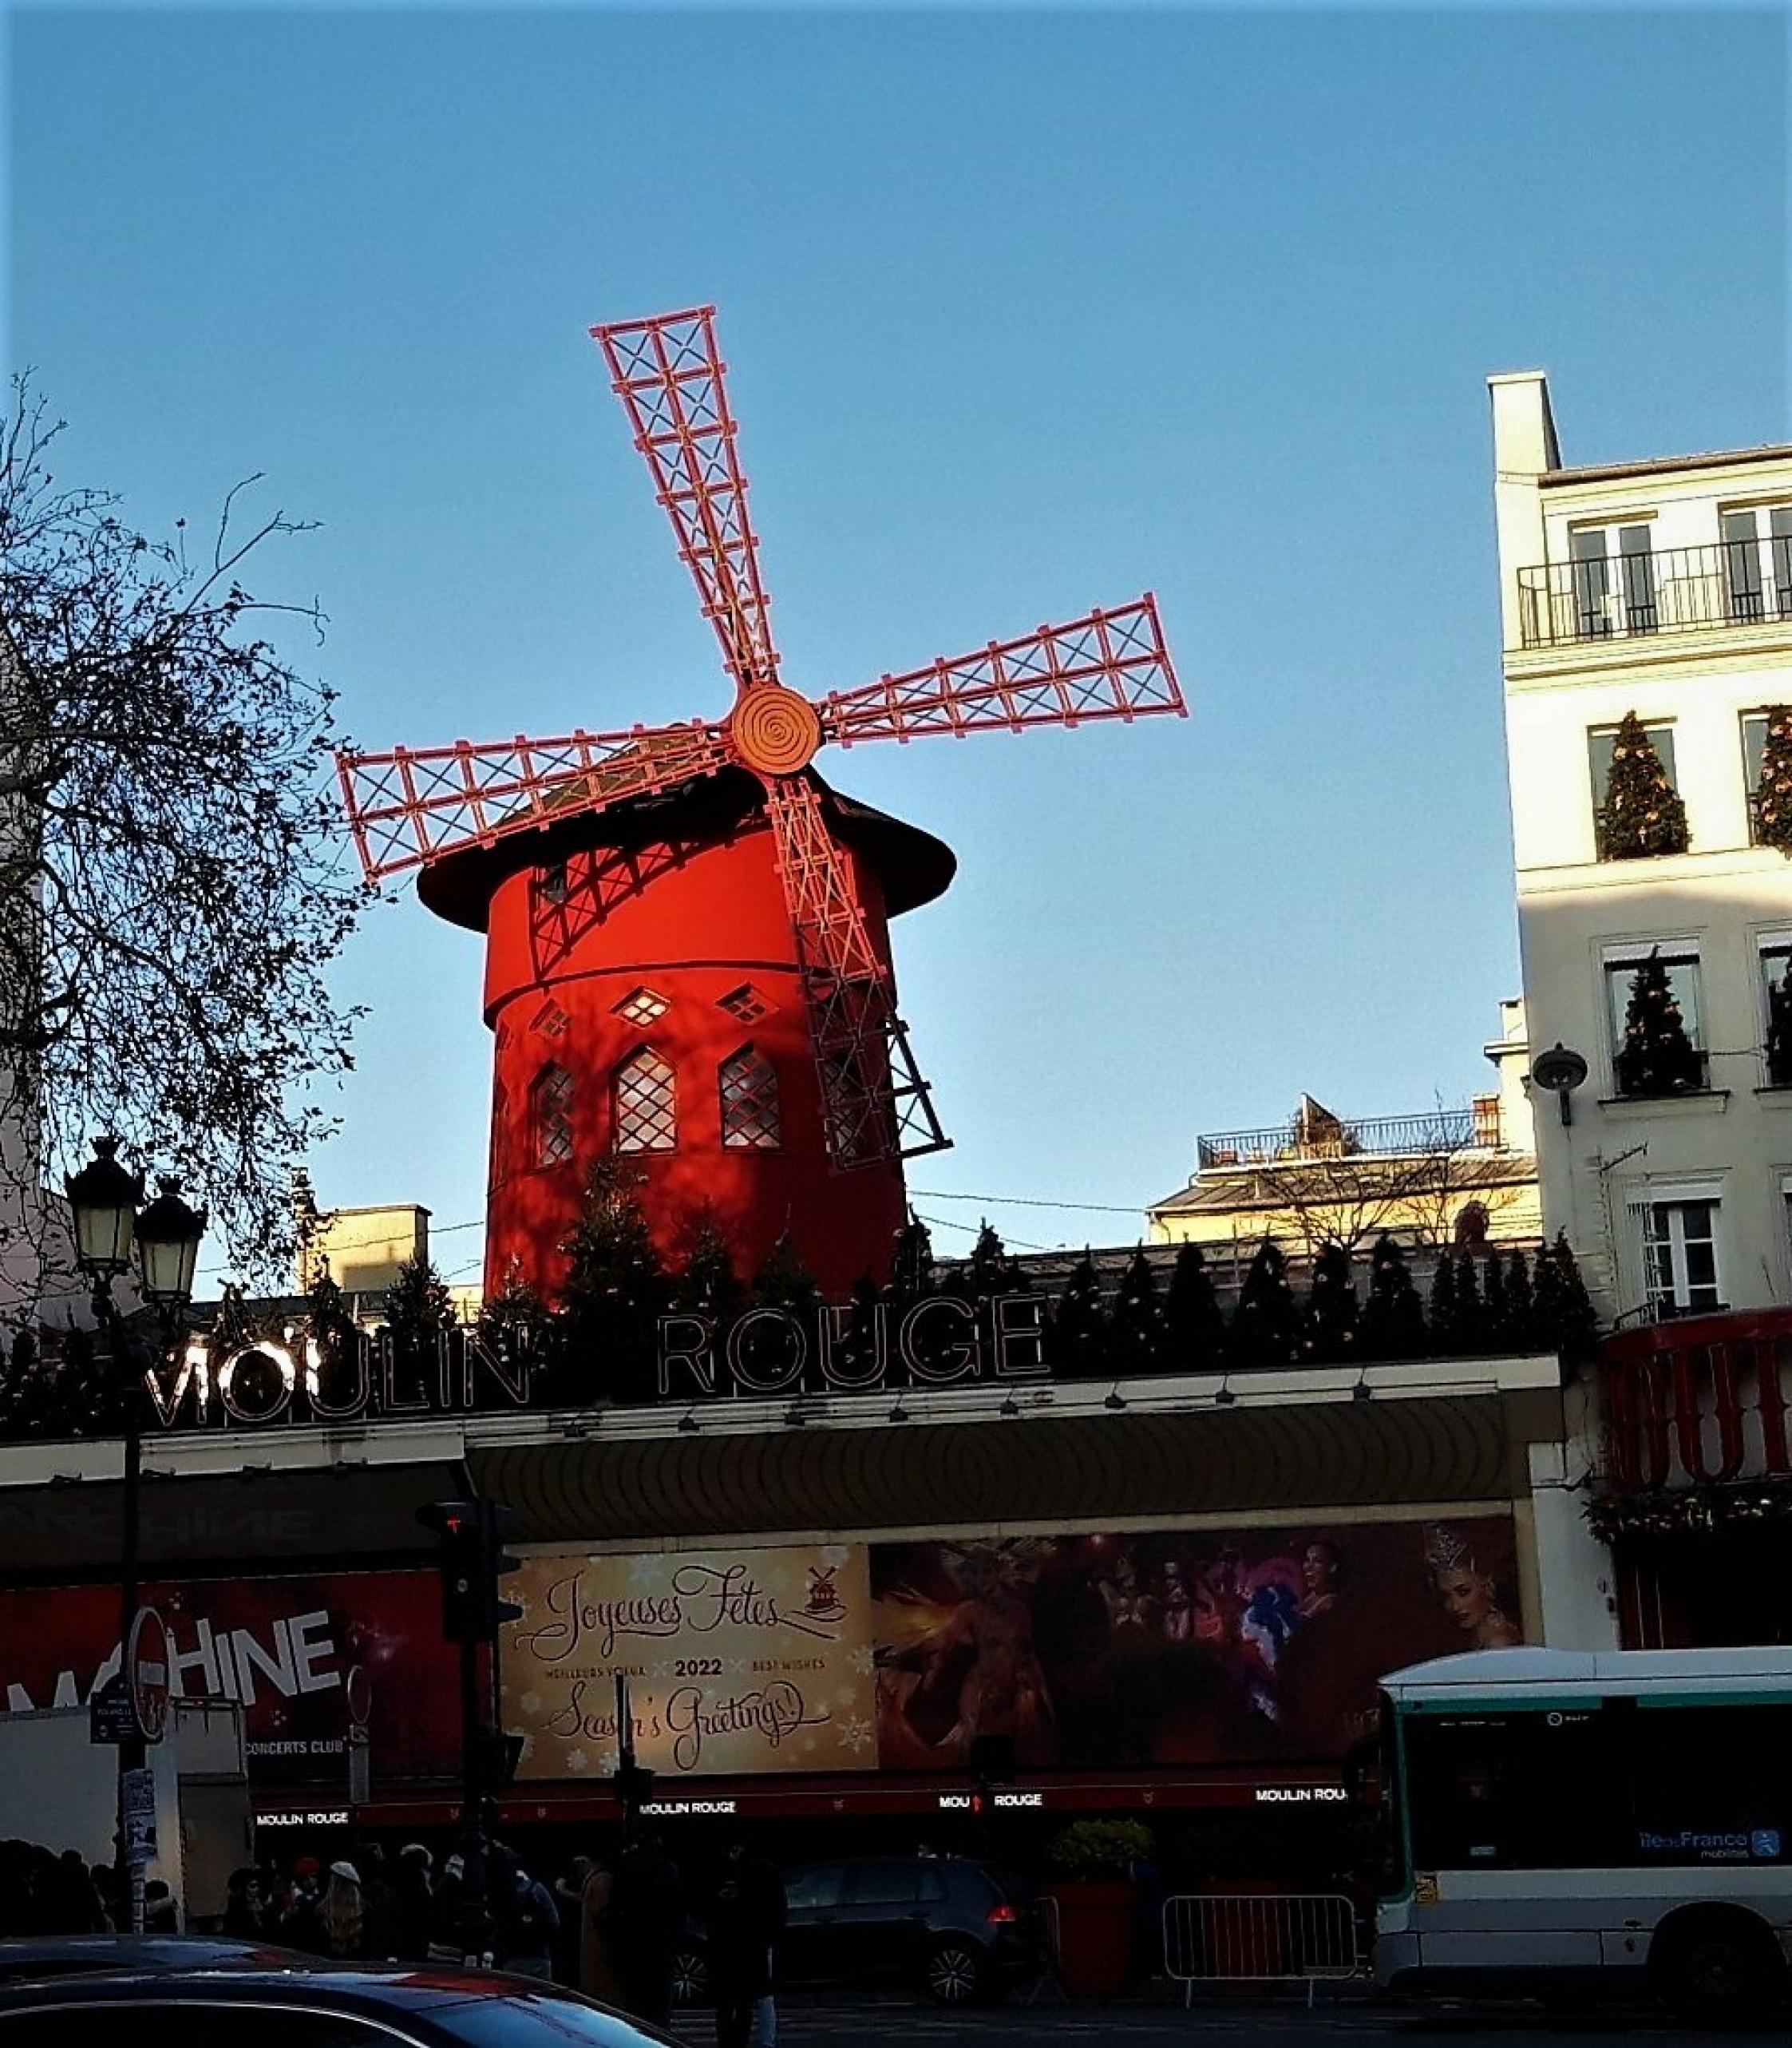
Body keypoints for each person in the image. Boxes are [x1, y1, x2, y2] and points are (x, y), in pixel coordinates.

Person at [705, 1834, 785, 2048]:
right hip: (749, 1946)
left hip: (734, 1945)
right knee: (749, 2001)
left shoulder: (729, 1872)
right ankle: (756, 2041)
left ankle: (732, 2042)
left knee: (733, 2003)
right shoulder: (762, 1872)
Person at [609, 1832, 685, 2029]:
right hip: (659, 1944)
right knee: (659, 2007)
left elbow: (616, 1907)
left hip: (633, 1945)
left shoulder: (627, 1869)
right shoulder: (667, 1870)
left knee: (635, 2006)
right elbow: (677, 1910)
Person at [1426, 1525, 1522, 1647]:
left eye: (1464, 1592)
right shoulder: (1474, 1635)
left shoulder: (1498, 1642)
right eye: (1446, 1596)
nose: (1455, 1606)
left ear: (1487, 1584)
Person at [500, 1858, 560, 1979]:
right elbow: (555, 1922)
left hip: (513, 1956)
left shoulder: (502, 1891)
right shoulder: (537, 1888)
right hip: (540, 1955)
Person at [579, 1852, 624, 2005]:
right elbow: (602, 1913)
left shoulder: (594, 1880)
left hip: (594, 1950)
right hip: (602, 1951)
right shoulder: (603, 1880)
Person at [552, 1856, 590, 1987]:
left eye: (583, 1863)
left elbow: (584, 1900)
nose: (580, 1866)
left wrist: (565, 1892)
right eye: (577, 1864)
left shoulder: (588, 1883)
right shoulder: (566, 1881)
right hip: (567, 1932)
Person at [222, 1867, 263, 1938]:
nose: (257, 1890)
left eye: (257, 1886)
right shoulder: (235, 1917)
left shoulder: (261, 1909)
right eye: (252, 1886)